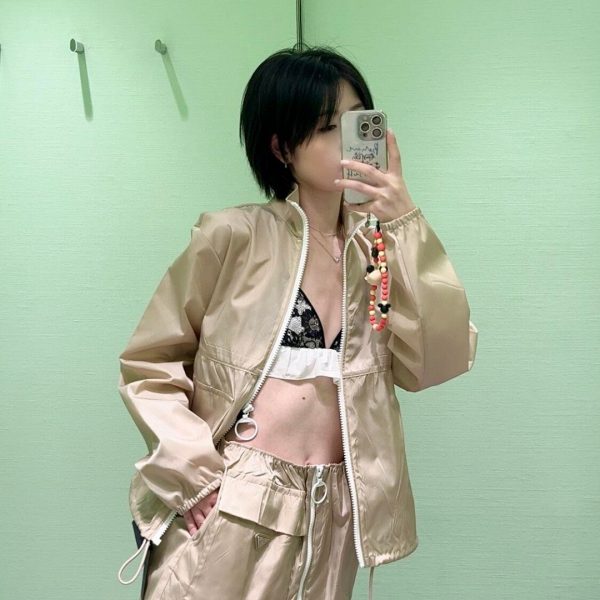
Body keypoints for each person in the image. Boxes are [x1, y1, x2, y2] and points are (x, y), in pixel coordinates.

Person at [116, 44, 478, 600]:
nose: (347, 142)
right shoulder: (232, 236)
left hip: (335, 517)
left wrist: (403, 219)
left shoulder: (379, 252)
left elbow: (438, 360)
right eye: (327, 127)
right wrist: (193, 476)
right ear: (282, 146)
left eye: (356, 123)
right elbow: (150, 363)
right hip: (235, 502)